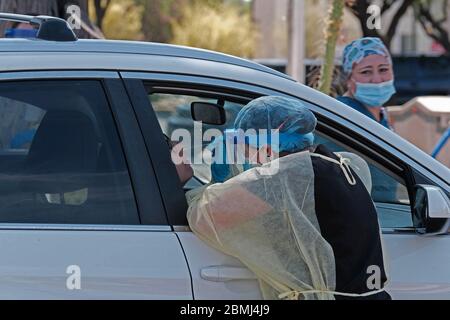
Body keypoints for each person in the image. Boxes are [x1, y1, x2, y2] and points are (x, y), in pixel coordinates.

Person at [187, 96, 391, 300]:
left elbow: (206, 217)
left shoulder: (284, 177)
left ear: (266, 149)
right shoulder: (334, 164)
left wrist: (216, 180)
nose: (244, 159)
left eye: (245, 150)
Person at [338, 37, 396, 129]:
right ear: (349, 78)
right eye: (366, 72)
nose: (376, 80)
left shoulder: (382, 116)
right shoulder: (342, 115)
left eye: (383, 69)